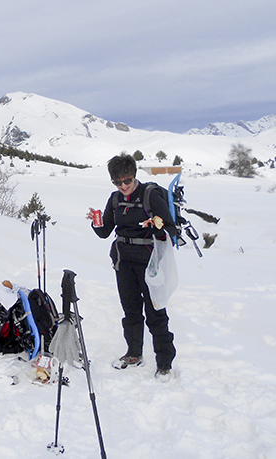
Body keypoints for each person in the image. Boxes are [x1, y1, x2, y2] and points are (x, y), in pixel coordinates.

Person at [87, 153, 177, 381]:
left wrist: (154, 226)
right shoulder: (115, 199)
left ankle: (164, 362)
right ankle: (134, 353)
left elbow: (169, 229)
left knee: (156, 312)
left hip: (149, 262)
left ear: (134, 176)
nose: (123, 186)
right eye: (117, 182)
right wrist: (95, 221)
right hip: (123, 261)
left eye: (126, 180)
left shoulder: (150, 196)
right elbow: (104, 232)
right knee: (131, 311)